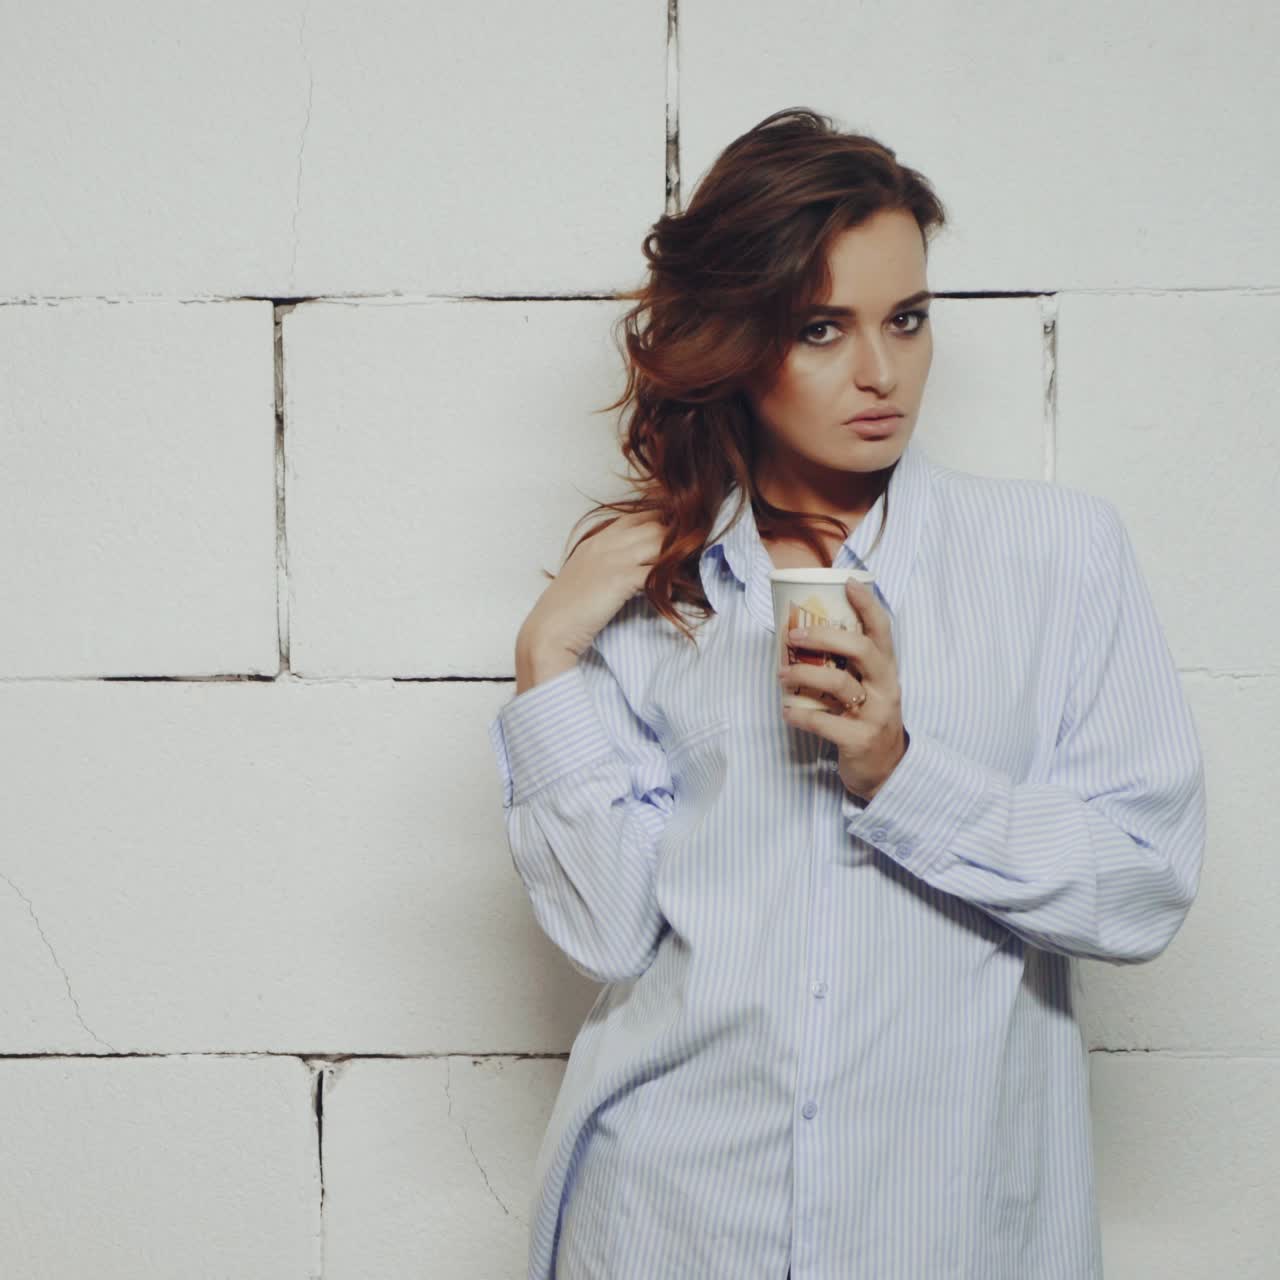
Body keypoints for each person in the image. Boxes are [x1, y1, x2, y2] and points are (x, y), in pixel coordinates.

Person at [486, 107, 1206, 1280]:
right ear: (734, 337)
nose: (880, 374)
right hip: (673, 1218)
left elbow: (1140, 887)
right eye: (820, 329)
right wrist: (546, 662)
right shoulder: (652, 589)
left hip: (948, 1228)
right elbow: (606, 933)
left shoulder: (1056, 557)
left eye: (906, 320)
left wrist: (899, 770)